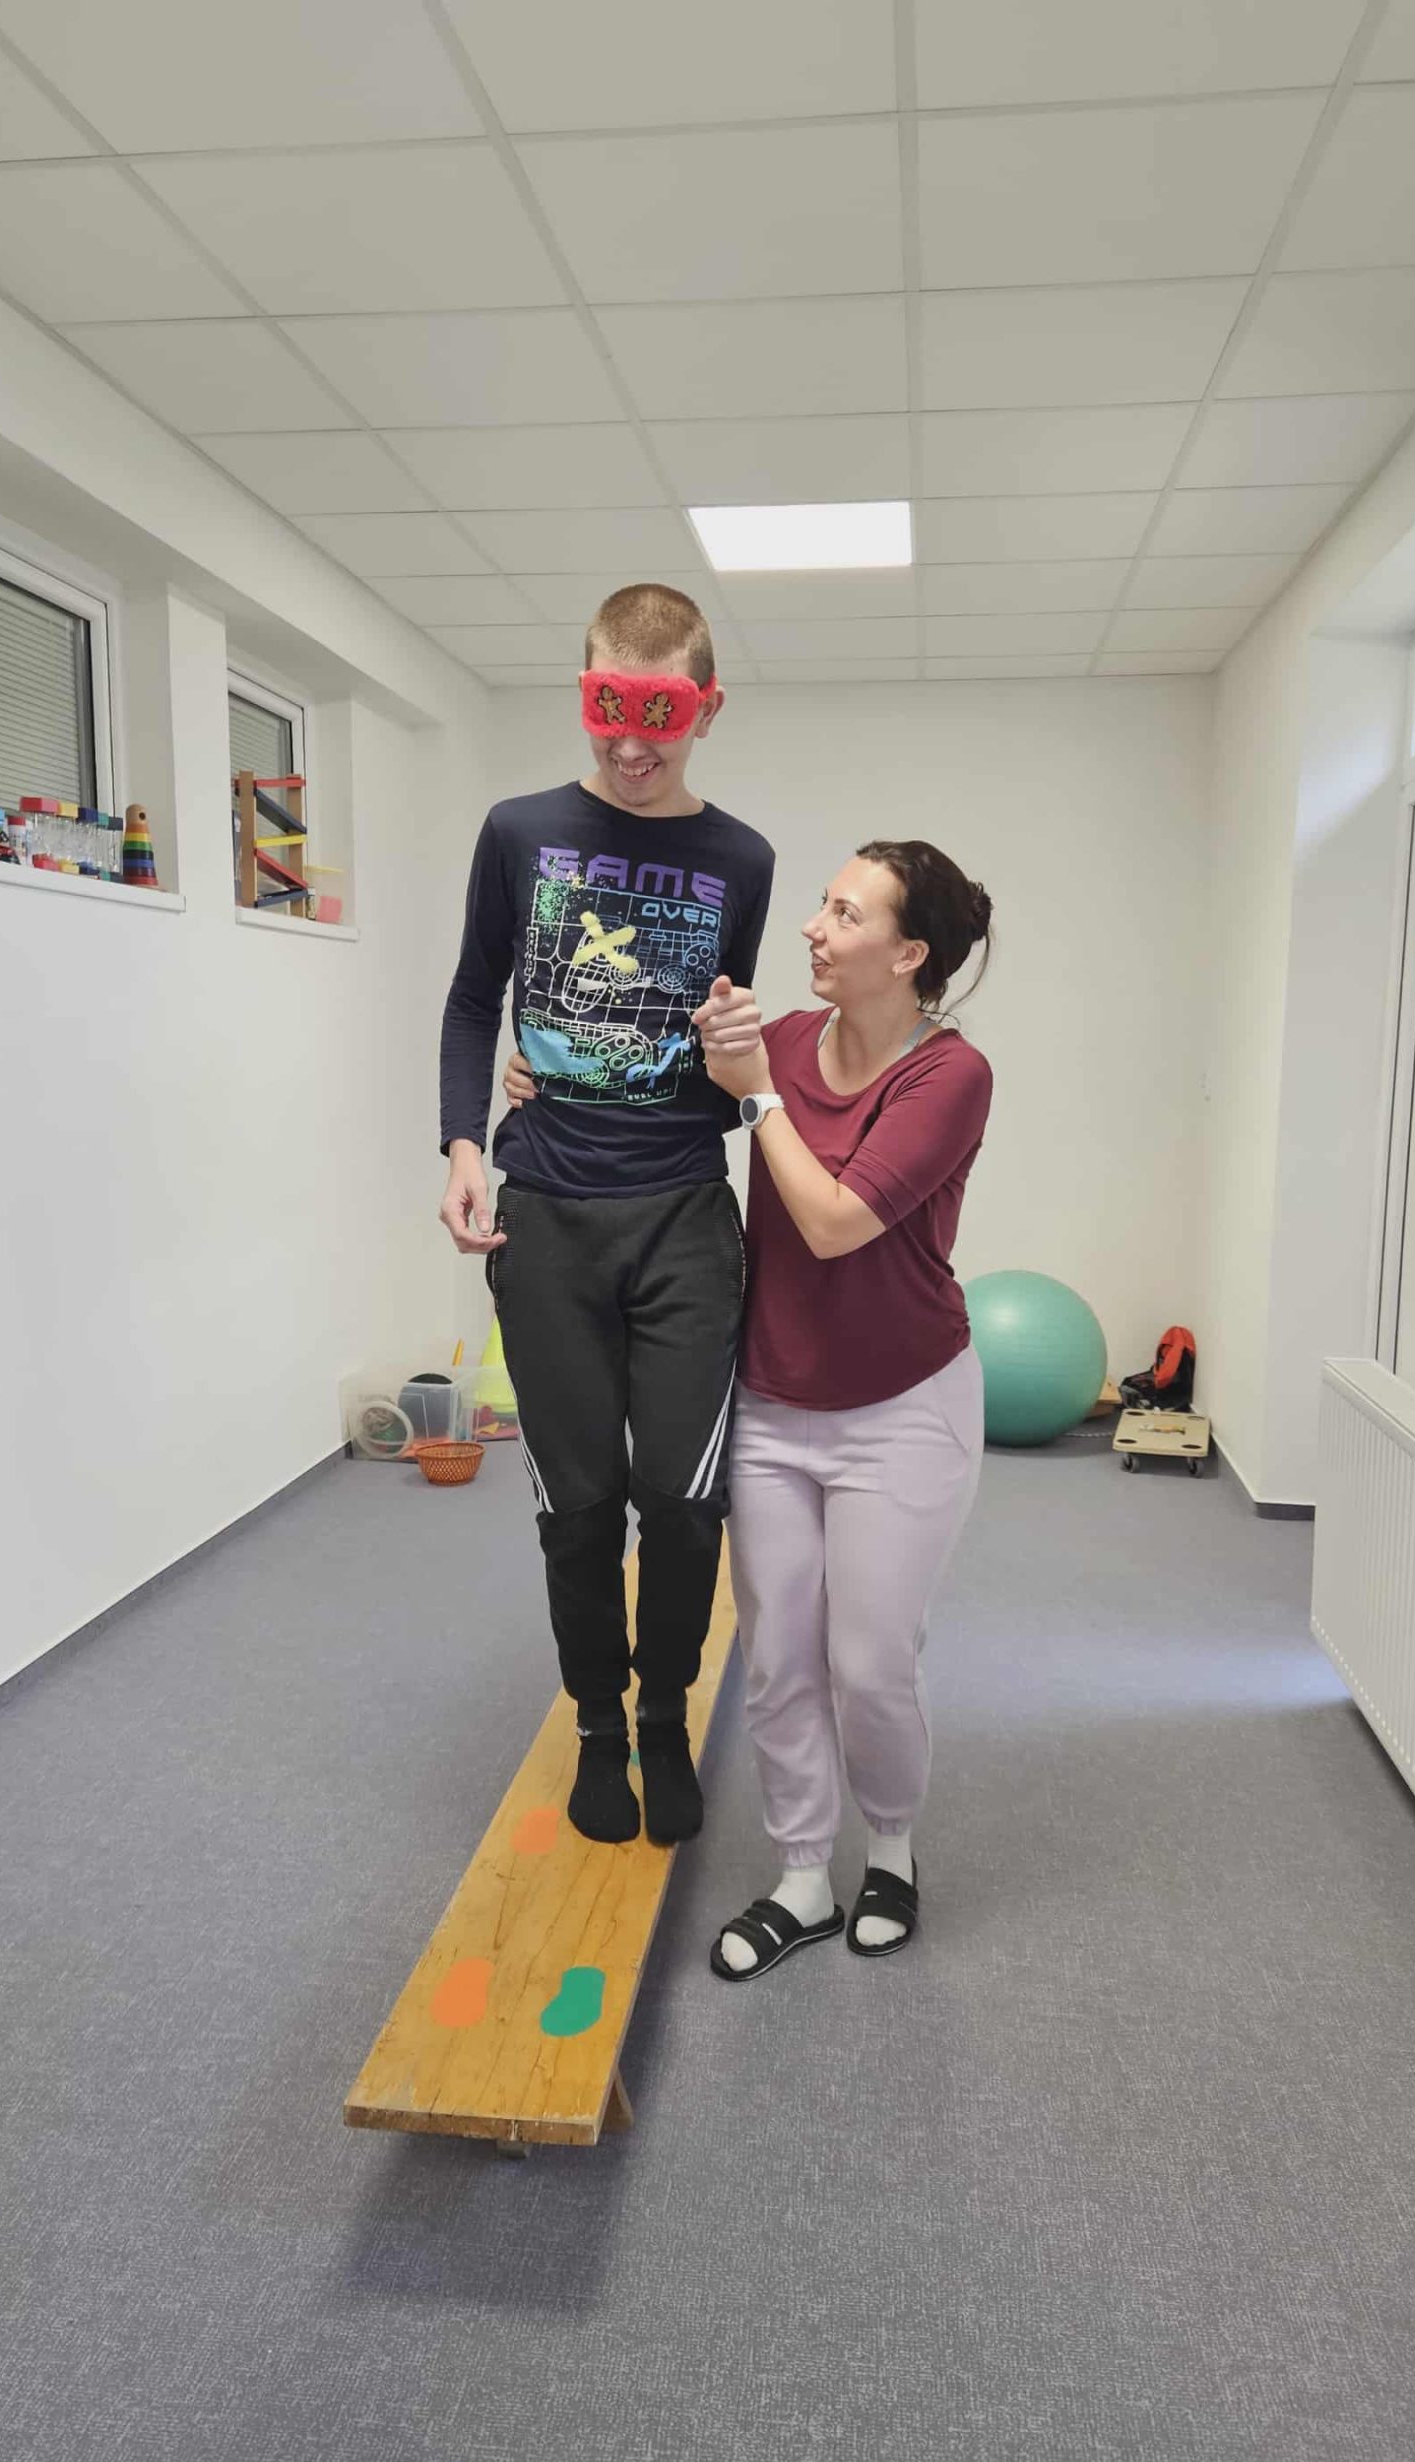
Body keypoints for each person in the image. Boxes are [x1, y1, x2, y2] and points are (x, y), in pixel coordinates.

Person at [438, 584, 774, 1847]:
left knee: (682, 1501)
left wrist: (737, 1059)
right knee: (576, 1506)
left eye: (661, 718)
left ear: (706, 709)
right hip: (550, 1215)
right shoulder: (518, 830)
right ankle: (594, 1722)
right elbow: (476, 995)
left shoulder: (741, 859)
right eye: (606, 713)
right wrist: (465, 1138)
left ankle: (663, 1715)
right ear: (584, 694)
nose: (631, 747)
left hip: (683, 1208)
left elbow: (718, 1035)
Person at [693, 841, 995, 1977]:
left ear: (909, 955)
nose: (814, 928)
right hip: (773, 1401)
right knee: (778, 1653)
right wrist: (534, 1080)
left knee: (868, 1660)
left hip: (904, 1405)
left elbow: (830, 1223)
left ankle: (894, 1851)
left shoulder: (949, 1076)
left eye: (846, 913)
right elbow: (651, 1100)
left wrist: (756, 1095)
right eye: (822, 905)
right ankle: (802, 1875)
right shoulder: (776, 1044)